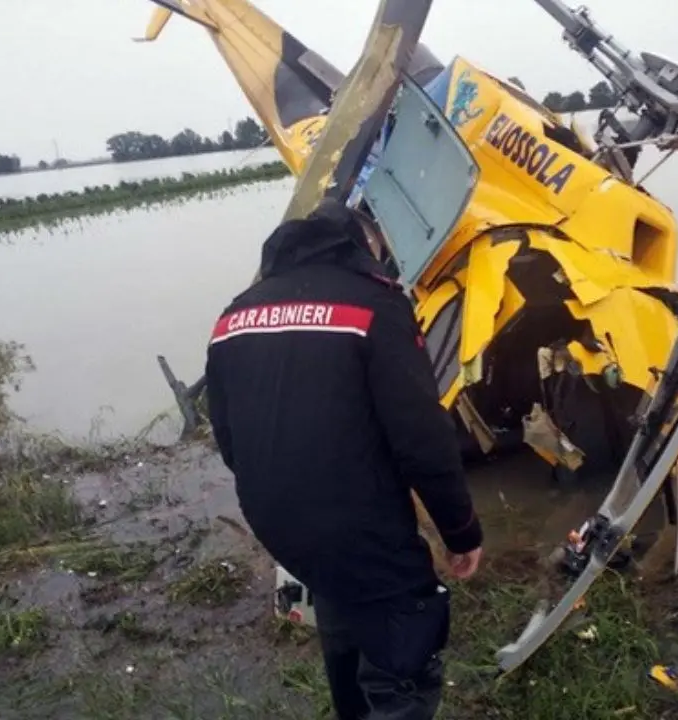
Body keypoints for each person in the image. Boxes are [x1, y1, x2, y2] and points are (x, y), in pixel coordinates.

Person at [204, 198, 484, 720]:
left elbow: (227, 435)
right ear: (360, 244)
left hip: (276, 517)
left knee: (339, 589)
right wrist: (461, 531)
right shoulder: (374, 306)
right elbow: (423, 437)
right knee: (404, 652)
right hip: (355, 520)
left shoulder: (234, 315)